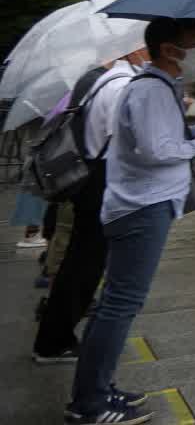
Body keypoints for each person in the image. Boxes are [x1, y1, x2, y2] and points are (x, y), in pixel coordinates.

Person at [65, 18, 195, 425]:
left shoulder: (155, 86)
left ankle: (98, 388)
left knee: (113, 304)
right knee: (120, 304)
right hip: (142, 207)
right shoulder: (152, 88)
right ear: (170, 49)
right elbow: (156, 149)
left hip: (139, 203)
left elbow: (154, 138)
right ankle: (90, 403)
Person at [31, 53, 140, 365]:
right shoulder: (121, 85)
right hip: (101, 180)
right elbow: (128, 140)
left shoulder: (95, 80)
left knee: (80, 261)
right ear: (134, 50)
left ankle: (54, 334)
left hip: (88, 175)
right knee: (85, 265)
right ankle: (54, 341)